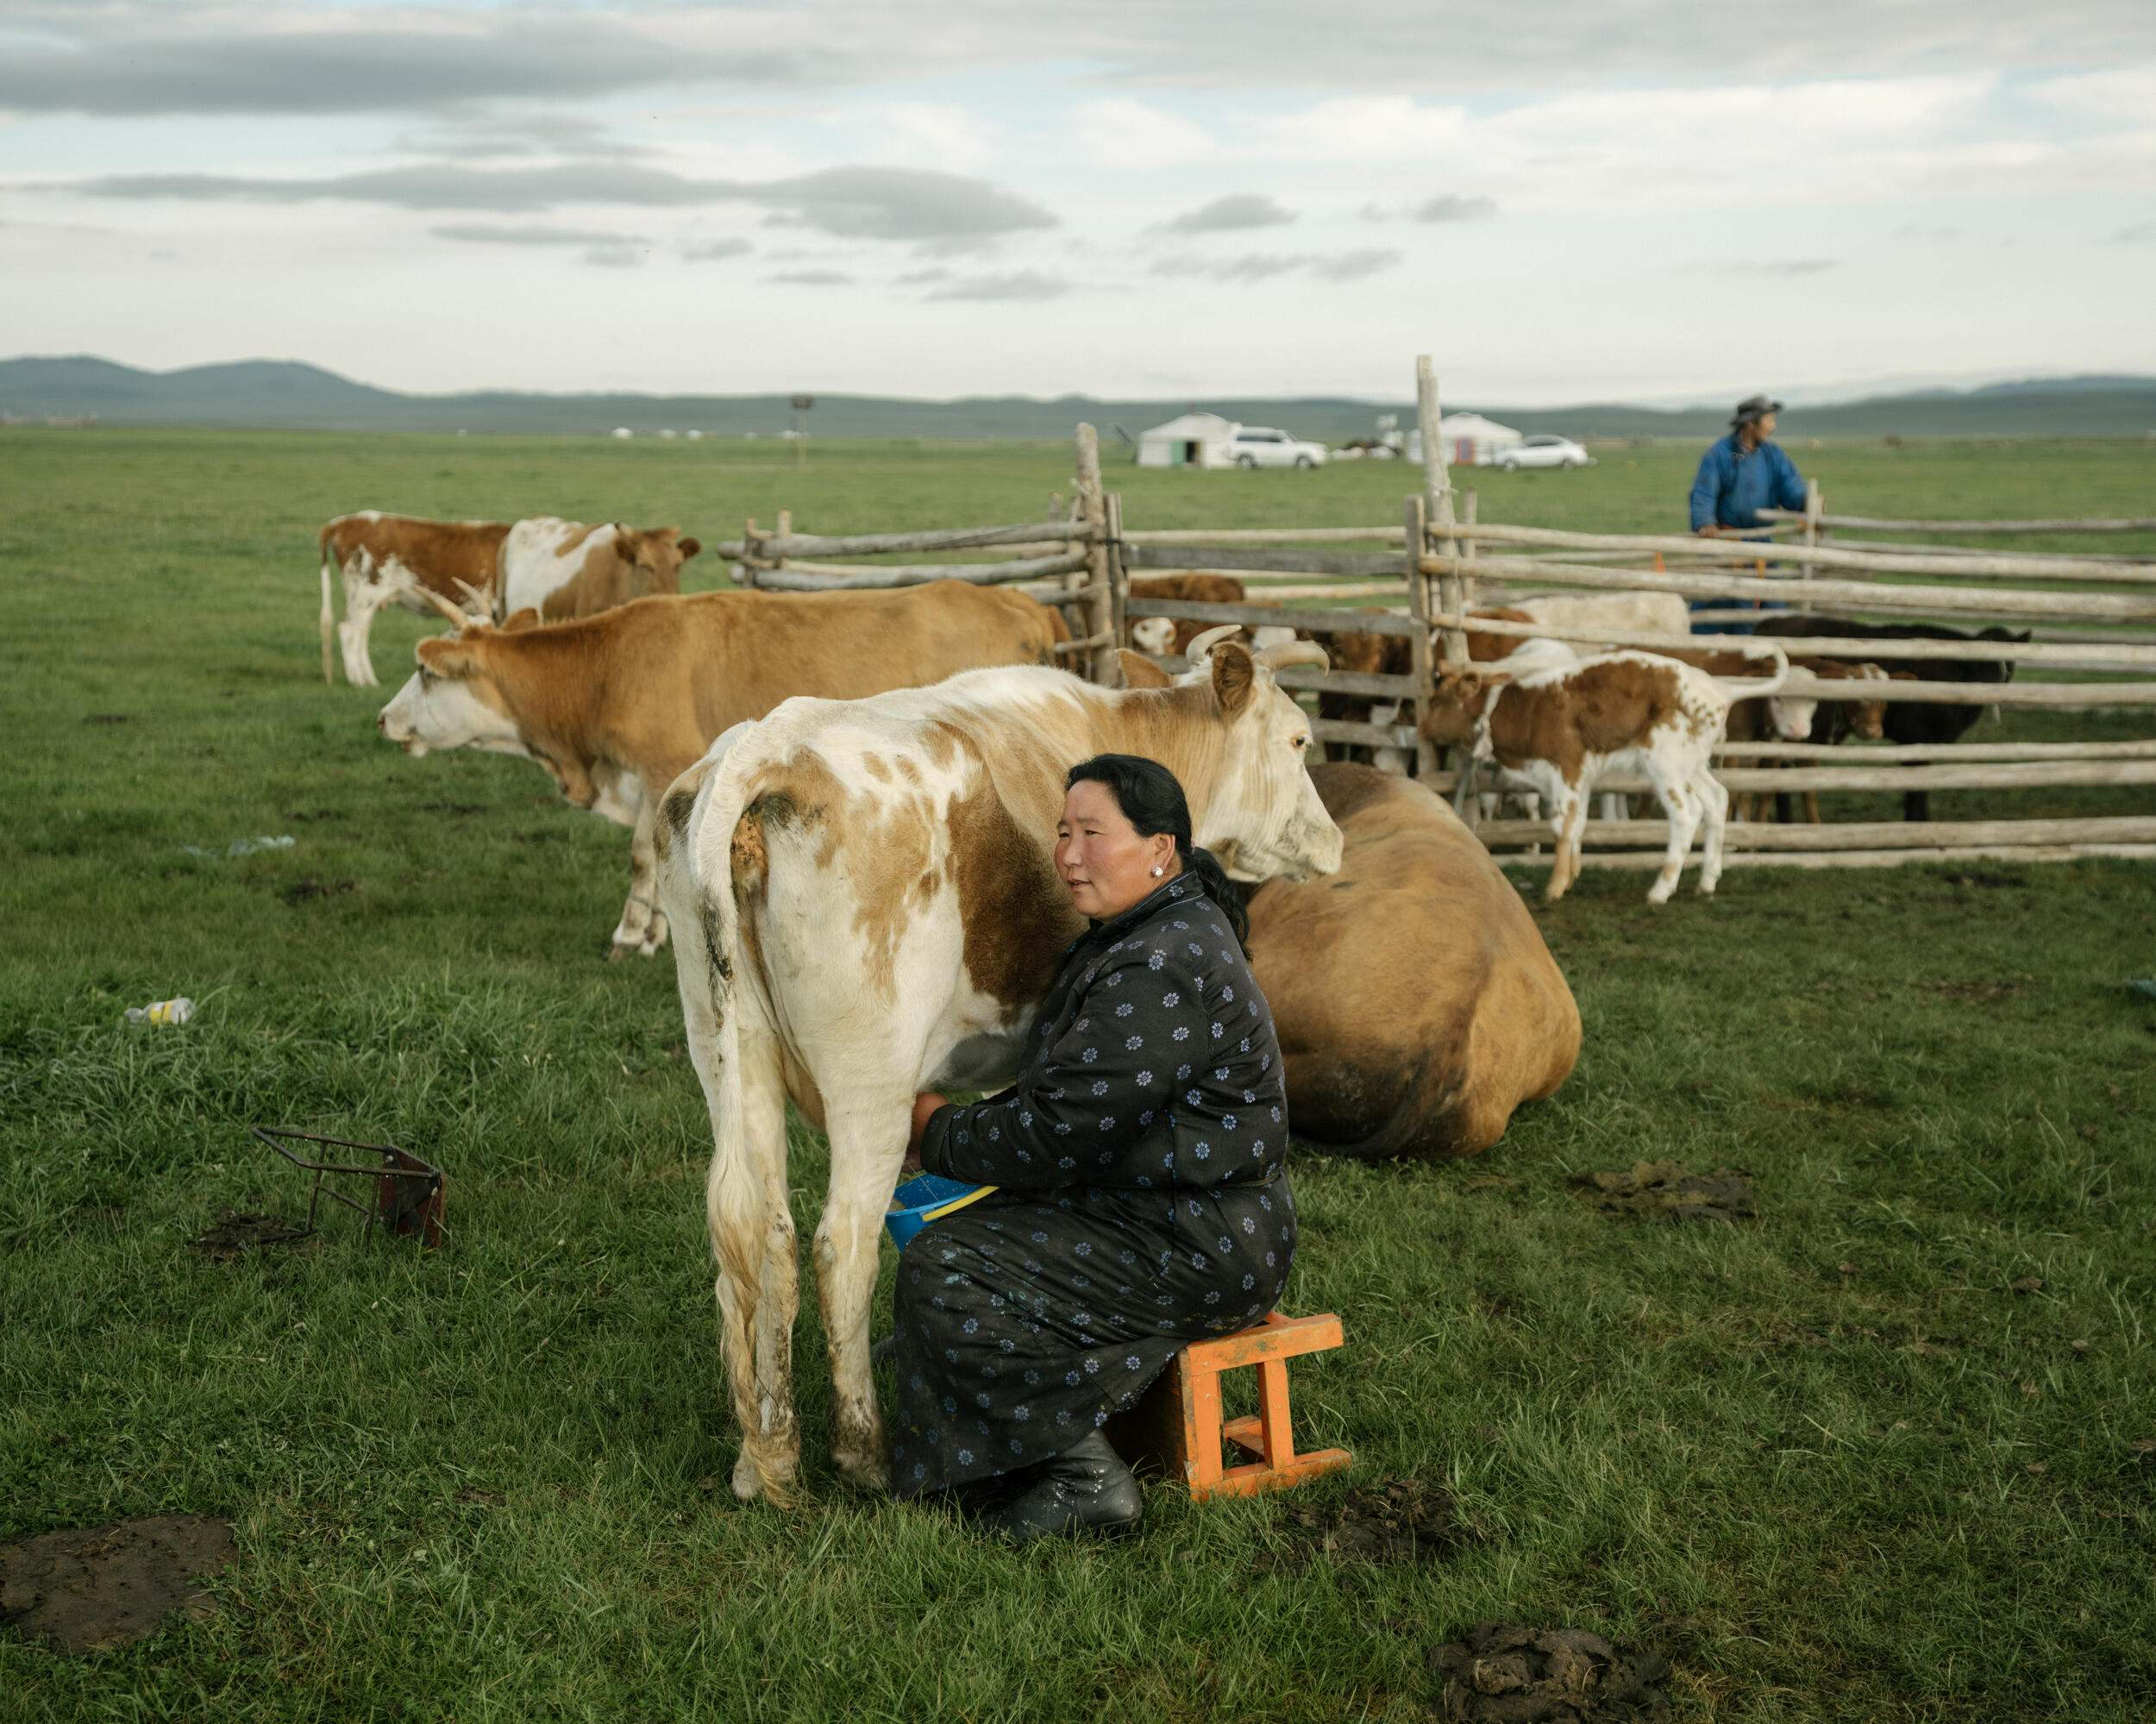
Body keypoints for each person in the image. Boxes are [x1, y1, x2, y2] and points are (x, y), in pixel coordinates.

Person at [887, 753, 1296, 1542]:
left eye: (1092, 834)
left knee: (947, 1270)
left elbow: (1056, 1131)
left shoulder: (1160, 960)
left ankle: (1085, 1476)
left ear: (1159, 848)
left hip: (1201, 1241)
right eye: (1062, 832)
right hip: (1179, 1216)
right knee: (938, 1297)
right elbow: (1079, 1100)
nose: (1068, 854)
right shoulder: (1158, 927)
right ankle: (1011, 1423)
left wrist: (934, 1130)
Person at [1689, 394, 1807, 538]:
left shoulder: (1773, 455)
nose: (1773, 426)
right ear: (1751, 423)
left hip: (1761, 539)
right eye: (1769, 420)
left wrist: (1805, 501)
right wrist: (1705, 522)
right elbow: (1705, 491)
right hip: (1727, 541)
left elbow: (1789, 483)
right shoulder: (1719, 454)